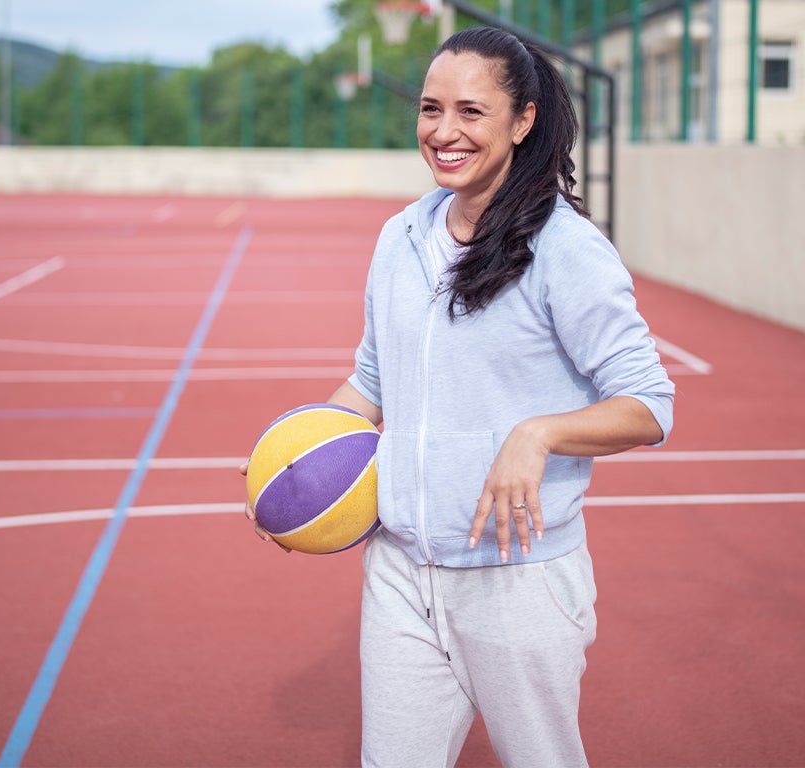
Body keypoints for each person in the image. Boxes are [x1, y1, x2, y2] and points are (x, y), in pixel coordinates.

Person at [243, 26, 674, 768]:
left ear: (523, 120)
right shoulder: (400, 237)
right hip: (401, 570)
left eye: (471, 112)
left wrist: (536, 434)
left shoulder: (564, 250)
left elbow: (647, 402)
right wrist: (292, 475)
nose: (444, 132)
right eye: (430, 109)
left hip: (518, 578)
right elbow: (372, 383)